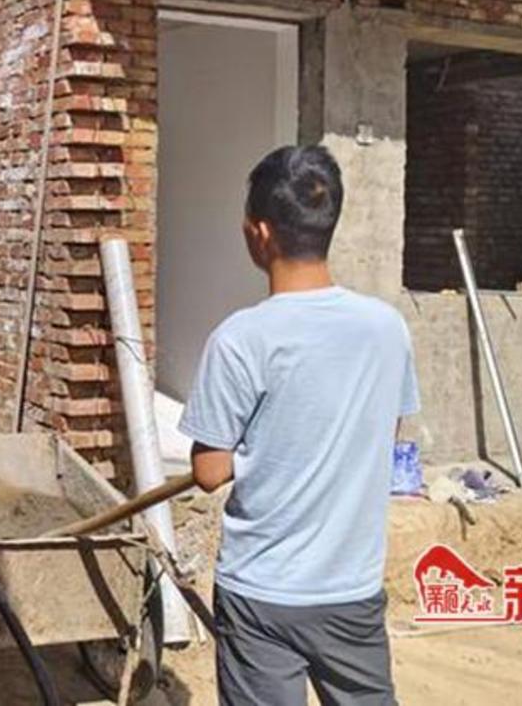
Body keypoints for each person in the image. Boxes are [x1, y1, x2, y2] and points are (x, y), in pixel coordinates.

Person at [179, 145, 418, 706]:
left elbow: (209, 472)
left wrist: (257, 446)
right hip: (351, 589)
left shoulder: (240, 339)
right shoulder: (387, 327)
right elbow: (382, 434)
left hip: (261, 593)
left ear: (259, 233)